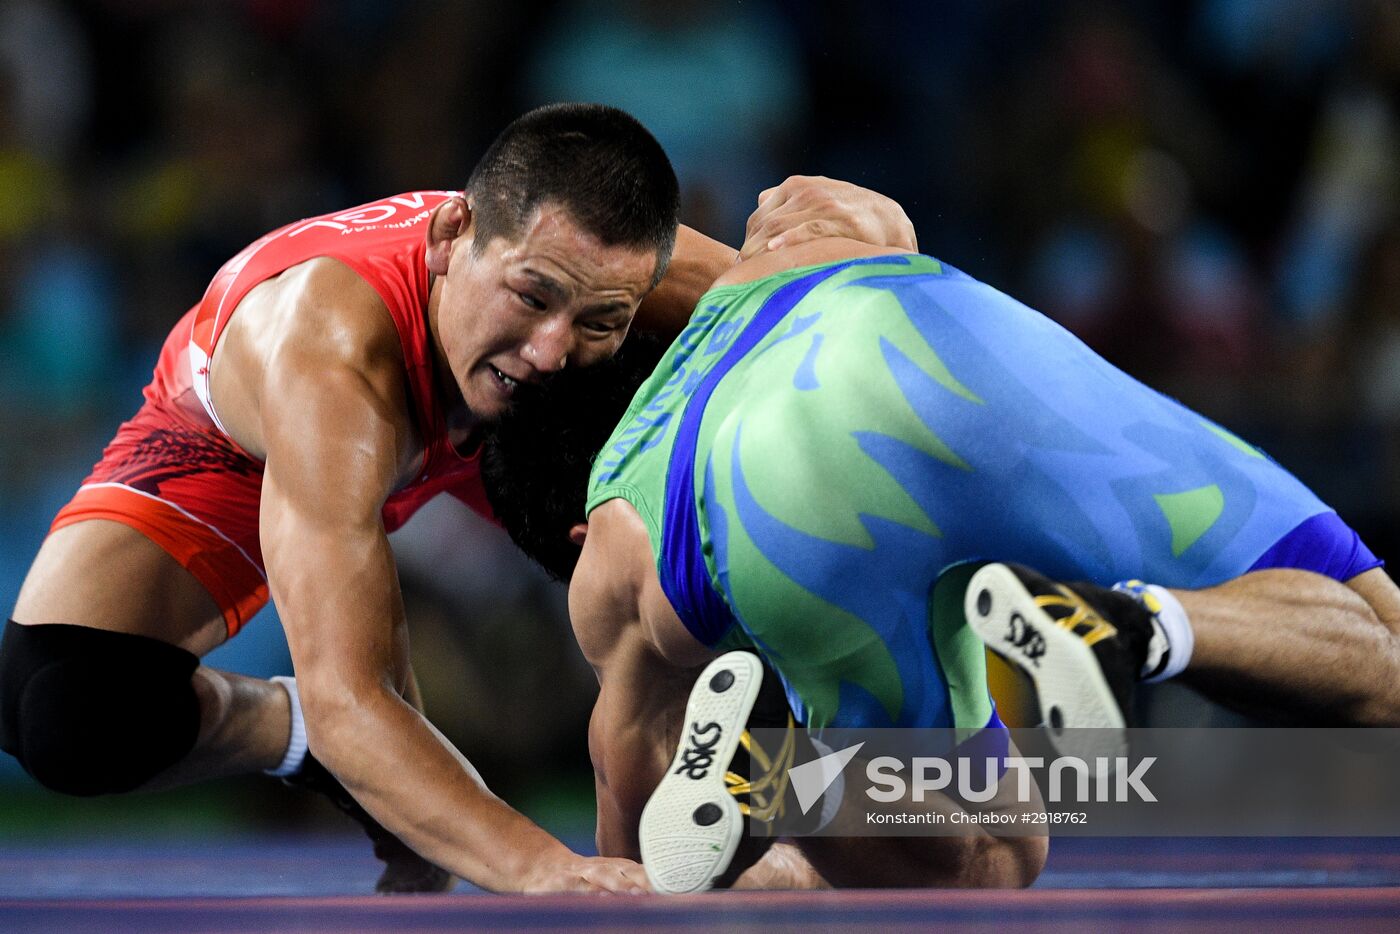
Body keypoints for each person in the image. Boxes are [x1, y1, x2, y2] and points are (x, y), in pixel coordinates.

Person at [0, 100, 917, 894]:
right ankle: (284, 732)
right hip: (241, 449)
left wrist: (880, 237)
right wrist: (534, 866)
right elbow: (356, 695)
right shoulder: (327, 365)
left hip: (499, 429)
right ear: (450, 241)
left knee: (679, 588)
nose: (555, 345)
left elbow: (874, 305)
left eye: (600, 318)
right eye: (533, 295)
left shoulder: (621, 280)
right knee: (65, 715)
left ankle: (854, 765)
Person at [481, 200, 1400, 892]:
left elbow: (635, 872)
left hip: (758, 501)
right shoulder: (779, 230)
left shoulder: (612, 540)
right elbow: (879, 221)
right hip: (900, 322)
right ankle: (1132, 624)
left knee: (996, 852)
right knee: (1382, 640)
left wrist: (700, 855)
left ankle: (776, 781)